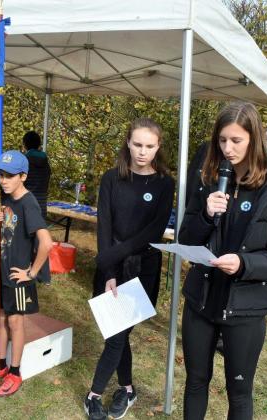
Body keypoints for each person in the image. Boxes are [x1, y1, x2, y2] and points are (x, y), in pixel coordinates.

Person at [179, 102, 267, 420]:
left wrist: (245, 264)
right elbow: (187, 236)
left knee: (239, 391)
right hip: (202, 299)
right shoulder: (210, 175)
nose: (227, 149)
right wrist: (206, 214)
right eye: (222, 140)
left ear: (255, 139)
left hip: (245, 306)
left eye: (236, 141)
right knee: (195, 382)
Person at [84, 118, 175, 420]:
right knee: (116, 332)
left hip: (143, 267)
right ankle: (127, 389)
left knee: (118, 335)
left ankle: (93, 394)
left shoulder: (164, 183)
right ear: (128, 142)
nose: (142, 152)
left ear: (158, 147)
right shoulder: (112, 178)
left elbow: (155, 230)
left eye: (149, 146)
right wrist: (108, 269)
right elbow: (105, 226)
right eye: (137, 144)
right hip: (111, 266)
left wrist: (112, 255)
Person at [0, 150, 53, 397]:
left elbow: (46, 243)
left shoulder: (28, 203)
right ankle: (0, 365)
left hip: (18, 276)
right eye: (1, 175)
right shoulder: (4, 199)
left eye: (9, 176)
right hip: (2, 270)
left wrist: (32, 272)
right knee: (2, 316)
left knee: (15, 321)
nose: (3, 180)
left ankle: (15, 372)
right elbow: (9, 232)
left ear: (23, 176)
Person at [22, 131, 51, 218]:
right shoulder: (46, 162)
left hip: (27, 203)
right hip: (42, 204)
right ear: (39, 145)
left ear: (25, 145)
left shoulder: (24, 161)